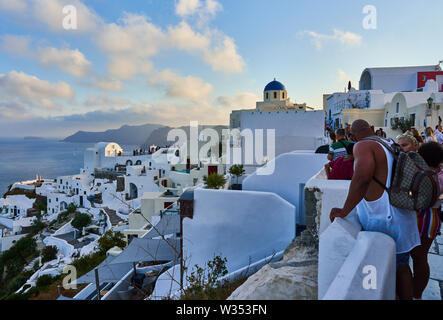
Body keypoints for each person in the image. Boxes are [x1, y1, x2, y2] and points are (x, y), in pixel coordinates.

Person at [329, 119, 420, 300]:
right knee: (402, 267)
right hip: (402, 213)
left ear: (351, 137)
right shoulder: (387, 142)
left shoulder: (362, 146)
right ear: (372, 128)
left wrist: (344, 211)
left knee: (384, 270)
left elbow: (362, 178)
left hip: (385, 219)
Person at [410, 142, 443, 299]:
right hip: (433, 218)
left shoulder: (420, 173)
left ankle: (407, 292)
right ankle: (417, 294)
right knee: (422, 259)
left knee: (405, 259)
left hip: (417, 217)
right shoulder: (441, 175)